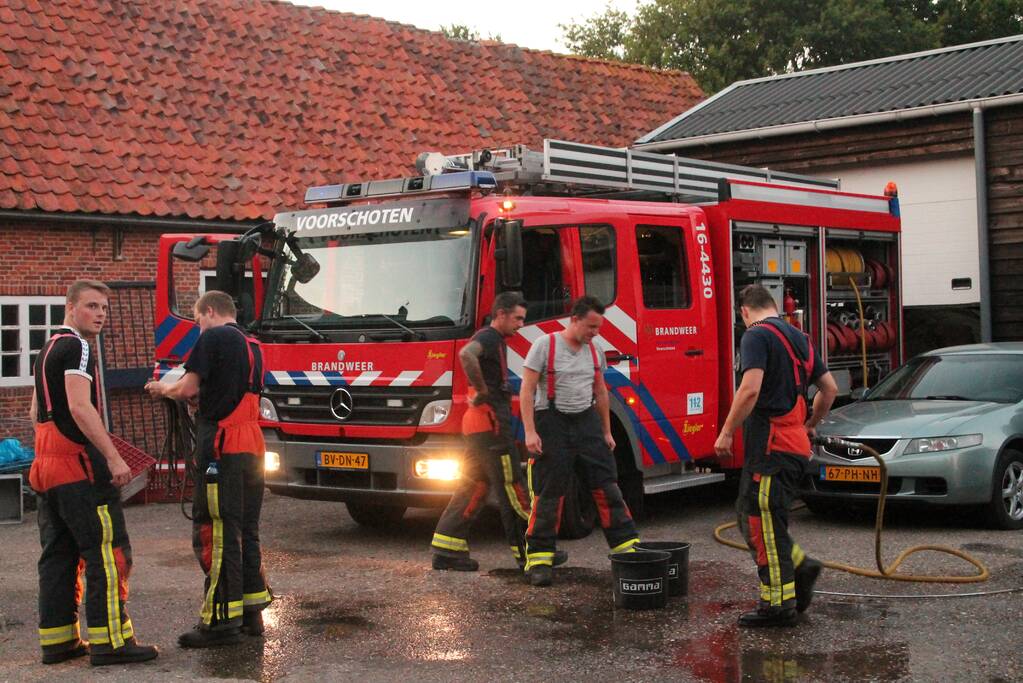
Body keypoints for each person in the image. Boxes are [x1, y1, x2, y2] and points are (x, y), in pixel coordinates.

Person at [29, 279, 159, 666]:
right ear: (70, 306)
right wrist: (114, 458)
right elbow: (80, 407)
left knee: (58, 554)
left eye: (104, 307)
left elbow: (36, 411)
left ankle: (58, 641)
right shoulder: (79, 347)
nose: (100, 314)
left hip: (44, 465)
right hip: (76, 467)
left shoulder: (47, 348)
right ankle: (111, 642)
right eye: (91, 306)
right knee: (106, 552)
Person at [145, 290, 271, 647]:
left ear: (210, 312)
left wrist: (162, 390)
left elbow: (187, 388)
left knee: (216, 529)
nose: (198, 327)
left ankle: (220, 623)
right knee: (246, 528)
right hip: (252, 445)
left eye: (198, 320)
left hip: (222, 447)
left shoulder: (213, 337)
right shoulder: (254, 345)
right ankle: (251, 614)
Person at [715, 284, 838, 627]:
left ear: (744, 311)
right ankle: (801, 566)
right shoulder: (800, 338)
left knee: (763, 527)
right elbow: (830, 389)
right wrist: (810, 423)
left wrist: (726, 431)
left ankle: (778, 606)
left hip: (772, 449)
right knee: (748, 517)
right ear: (772, 305)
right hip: (792, 446)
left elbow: (750, 389)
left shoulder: (755, 335)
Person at [519, 295, 640, 587]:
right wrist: (530, 432)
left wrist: (607, 432)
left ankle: (626, 548)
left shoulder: (595, 350)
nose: (595, 333)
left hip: (586, 423)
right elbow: (526, 390)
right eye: (591, 326)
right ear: (574, 320)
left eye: (598, 327)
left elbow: (600, 392)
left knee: (607, 486)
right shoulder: (544, 346)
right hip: (552, 422)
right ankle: (539, 560)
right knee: (549, 494)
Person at [431, 292, 551, 571]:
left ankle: (447, 548)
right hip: (492, 426)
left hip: (477, 427)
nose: (521, 324)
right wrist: (484, 390)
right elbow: (466, 355)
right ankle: (535, 552)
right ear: (501, 314)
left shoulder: (493, 339)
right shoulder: (489, 338)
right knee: (513, 486)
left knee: (474, 484)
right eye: (517, 318)